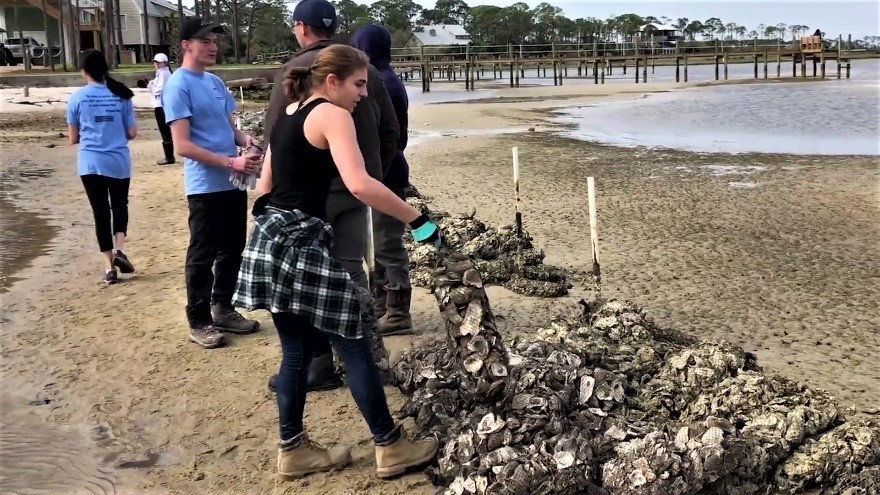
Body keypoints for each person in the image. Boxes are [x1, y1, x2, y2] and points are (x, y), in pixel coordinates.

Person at [233, 43, 441, 480]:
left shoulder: (290, 112)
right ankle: (390, 446)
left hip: (271, 238)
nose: (364, 94)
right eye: (359, 84)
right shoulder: (332, 114)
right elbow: (361, 184)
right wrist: (418, 220)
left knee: (294, 353)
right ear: (332, 81)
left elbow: (263, 187)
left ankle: (292, 450)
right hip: (304, 245)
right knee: (354, 343)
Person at [262, 0, 399, 392]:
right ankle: (371, 362)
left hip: (308, 199)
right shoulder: (364, 67)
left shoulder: (295, 72)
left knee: (309, 282)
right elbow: (391, 132)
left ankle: (321, 364)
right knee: (352, 273)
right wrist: (373, 175)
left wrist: (272, 195)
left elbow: (278, 137)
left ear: (301, 28)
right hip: (354, 192)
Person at [161, 17, 262, 349]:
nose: (213, 46)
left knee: (234, 248)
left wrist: (248, 141)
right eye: (205, 41)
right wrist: (231, 160)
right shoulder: (178, 85)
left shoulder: (215, 83)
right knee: (202, 254)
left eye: (215, 41)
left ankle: (223, 307)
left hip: (232, 181)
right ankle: (199, 320)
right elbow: (183, 146)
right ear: (186, 46)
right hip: (205, 185)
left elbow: (229, 126)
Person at [351, 24, 414, 336]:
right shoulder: (384, 78)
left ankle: (398, 311)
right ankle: (381, 302)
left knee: (388, 243)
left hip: (387, 173)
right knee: (377, 243)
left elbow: (391, 135)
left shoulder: (380, 82)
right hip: (383, 170)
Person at [66, 49, 138, 285]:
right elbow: (132, 132)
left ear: (83, 72)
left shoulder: (77, 98)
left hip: (90, 162)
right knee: (119, 206)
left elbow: (72, 138)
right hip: (117, 160)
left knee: (100, 212)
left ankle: (108, 267)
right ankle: (120, 250)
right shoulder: (122, 95)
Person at [147, 52, 175, 165]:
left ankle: (169, 156)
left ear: (164, 63)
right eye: (155, 62)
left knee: (164, 130)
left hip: (161, 104)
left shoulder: (164, 74)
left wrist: (149, 86)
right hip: (161, 104)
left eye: (158, 62)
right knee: (165, 130)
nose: (156, 64)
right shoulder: (162, 73)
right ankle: (169, 156)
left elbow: (159, 90)